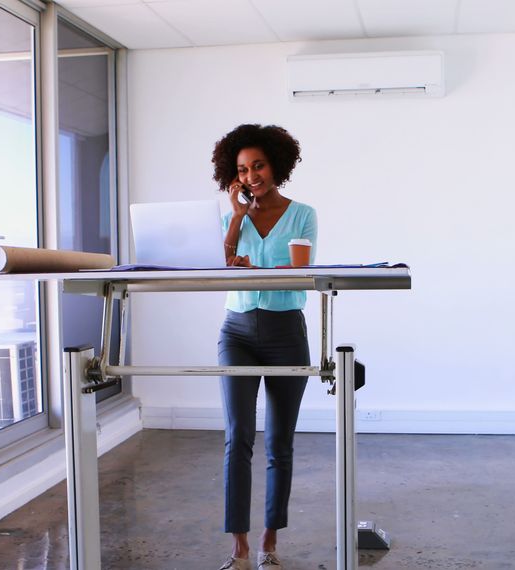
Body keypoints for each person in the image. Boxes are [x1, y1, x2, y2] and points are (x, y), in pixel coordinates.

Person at [212, 124, 317, 570]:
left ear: (276, 164)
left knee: (279, 441)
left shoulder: (302, 214)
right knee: (238, 438)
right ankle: (238, 545)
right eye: (242, 169)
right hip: (236, 332)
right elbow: (218, 264)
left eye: (258, 165)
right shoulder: (228, 217)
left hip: (284, 331)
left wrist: (256, 266)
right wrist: (237, 215)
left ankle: (269, 542)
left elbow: (299, 272)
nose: (252, 175)